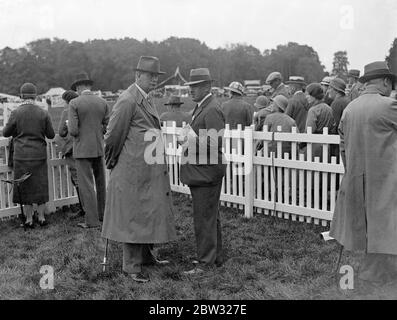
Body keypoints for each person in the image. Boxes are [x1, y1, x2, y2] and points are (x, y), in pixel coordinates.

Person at [102, 56, 176, 283]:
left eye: (156, 76)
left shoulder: (146, 98)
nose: (154, 80)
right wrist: (113, 161)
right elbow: (113, 136)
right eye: (150, 75)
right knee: (133, 217)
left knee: (147, 212)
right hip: (132, 169)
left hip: (146, 169)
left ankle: (146, 256)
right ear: (137, 76)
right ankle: (131, 266)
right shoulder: (127, 100)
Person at [330, 61, 397, 285]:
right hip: (386, 180)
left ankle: (376, 270)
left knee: (371, 226)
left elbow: (342, 146)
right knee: (384, 225)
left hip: (357, 178)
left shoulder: (350, 108)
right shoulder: (389, 105)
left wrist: (351, 171)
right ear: (386, 82)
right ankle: (376, 273)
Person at [180, 68, 226, 274]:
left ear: (207, 86)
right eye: (190, 86)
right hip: (203, 171)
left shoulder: (211, 109)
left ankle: (206, 262)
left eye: (195, 86)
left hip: (206, 173)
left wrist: (188, 139)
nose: (191, 90)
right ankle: (214, 257)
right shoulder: (203, 107)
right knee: (209, 216)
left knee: (204, 218)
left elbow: (214, 143)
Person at [3, 83, 55, 228]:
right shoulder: (43, 113)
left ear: (21, 96)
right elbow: (50, 134)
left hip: (22, 155)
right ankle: (42, 217)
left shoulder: (16, 113)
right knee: (40, 185)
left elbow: (6, 133)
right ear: (35, 96)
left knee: (24, 186)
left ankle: (29, 219)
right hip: (39, 154)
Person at [68, 72, 110, 229]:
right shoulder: (102, 102)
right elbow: (108, 126)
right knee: (101, 184)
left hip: (82, 149)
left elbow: (72, 130)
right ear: (89, 86)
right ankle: (103, 215)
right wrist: (98, 133)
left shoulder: (74, 103)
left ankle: (91, 221)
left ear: (79, 87)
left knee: (86, 185)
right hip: (99, 147)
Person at [57, 90, 85, 218]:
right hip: (84, 146)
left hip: (71, 148)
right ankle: (88, 206)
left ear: (67, 101)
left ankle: (84, 208)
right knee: (85, 178)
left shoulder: (67, 110)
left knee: (77, 179)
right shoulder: (82, 108)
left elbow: (61, 131)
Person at [305, 83, 336, 159]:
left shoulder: (313, 110)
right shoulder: (329, 108)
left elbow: (309, 130)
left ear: (314, 95)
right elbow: (333, 126)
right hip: (327, 144)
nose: (306, 97)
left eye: (308, 95)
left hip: (314, 144)